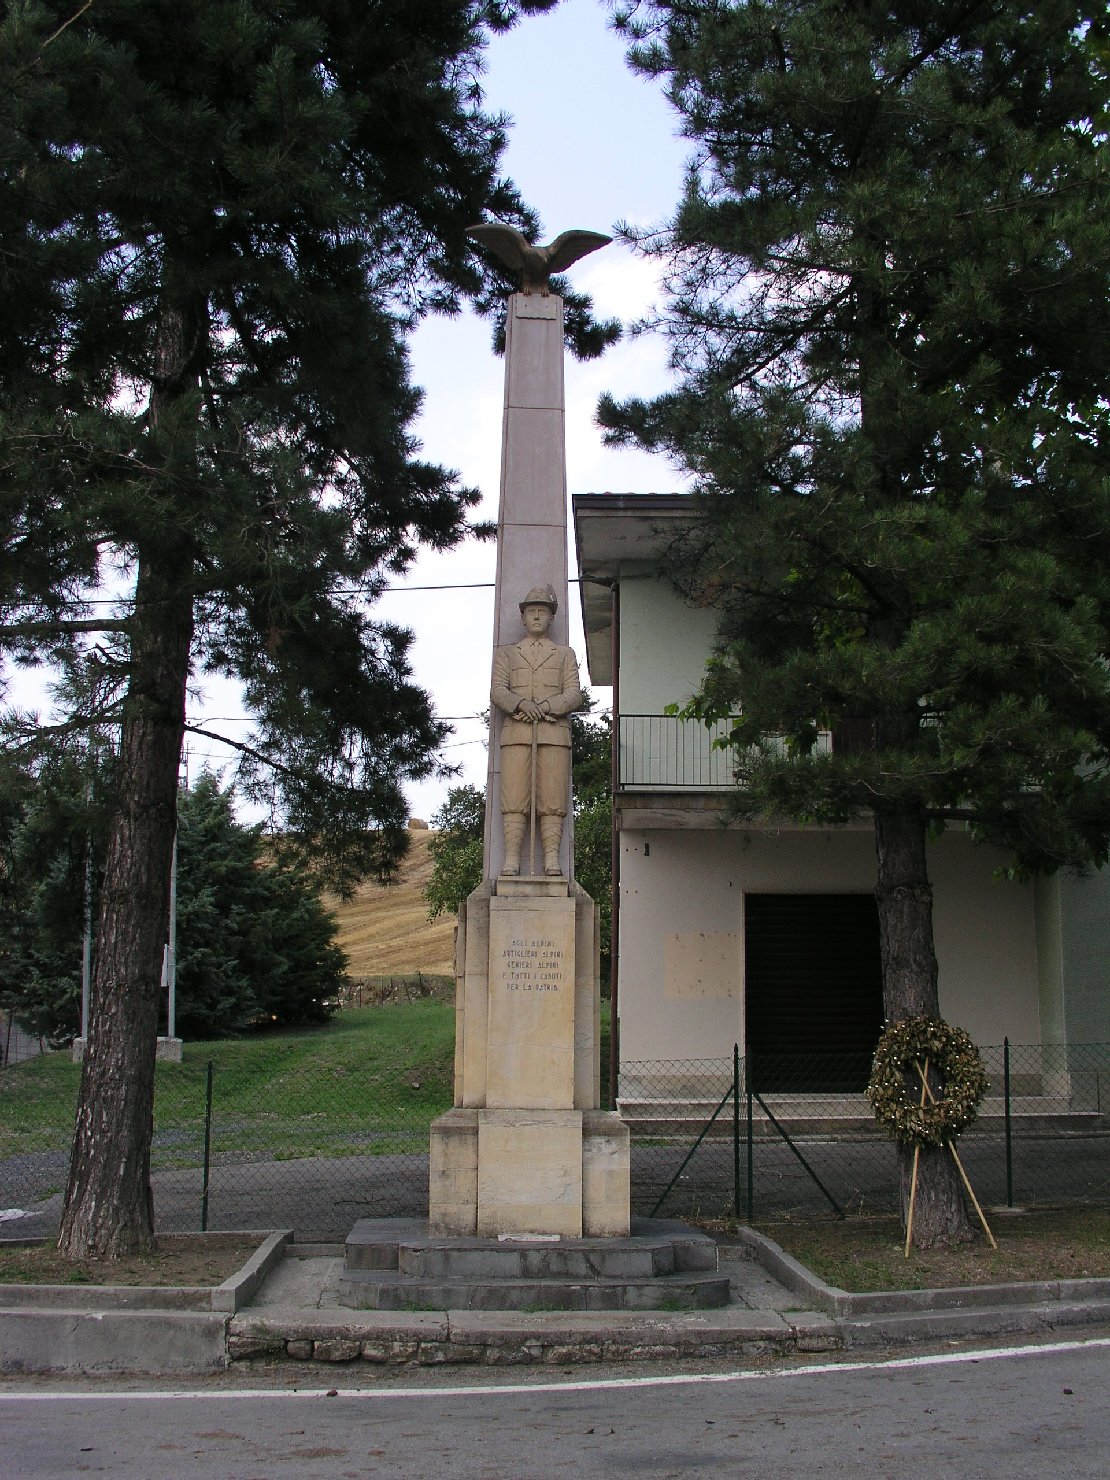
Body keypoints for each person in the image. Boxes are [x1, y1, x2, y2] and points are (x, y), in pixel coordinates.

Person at [491, 585, 583, 875]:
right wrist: (520, 703)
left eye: (542, 611)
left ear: (552, 618)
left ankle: (552, 859)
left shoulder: (564, 654)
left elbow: (574, 695)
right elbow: (497, 691)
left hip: (554, 735)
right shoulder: (507, 654)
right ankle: (512, 859)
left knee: (553, 800)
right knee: (514, 799)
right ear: (522, 617)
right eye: (531, 611)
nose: (536, 617)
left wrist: (544, 707)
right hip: (517, 733)